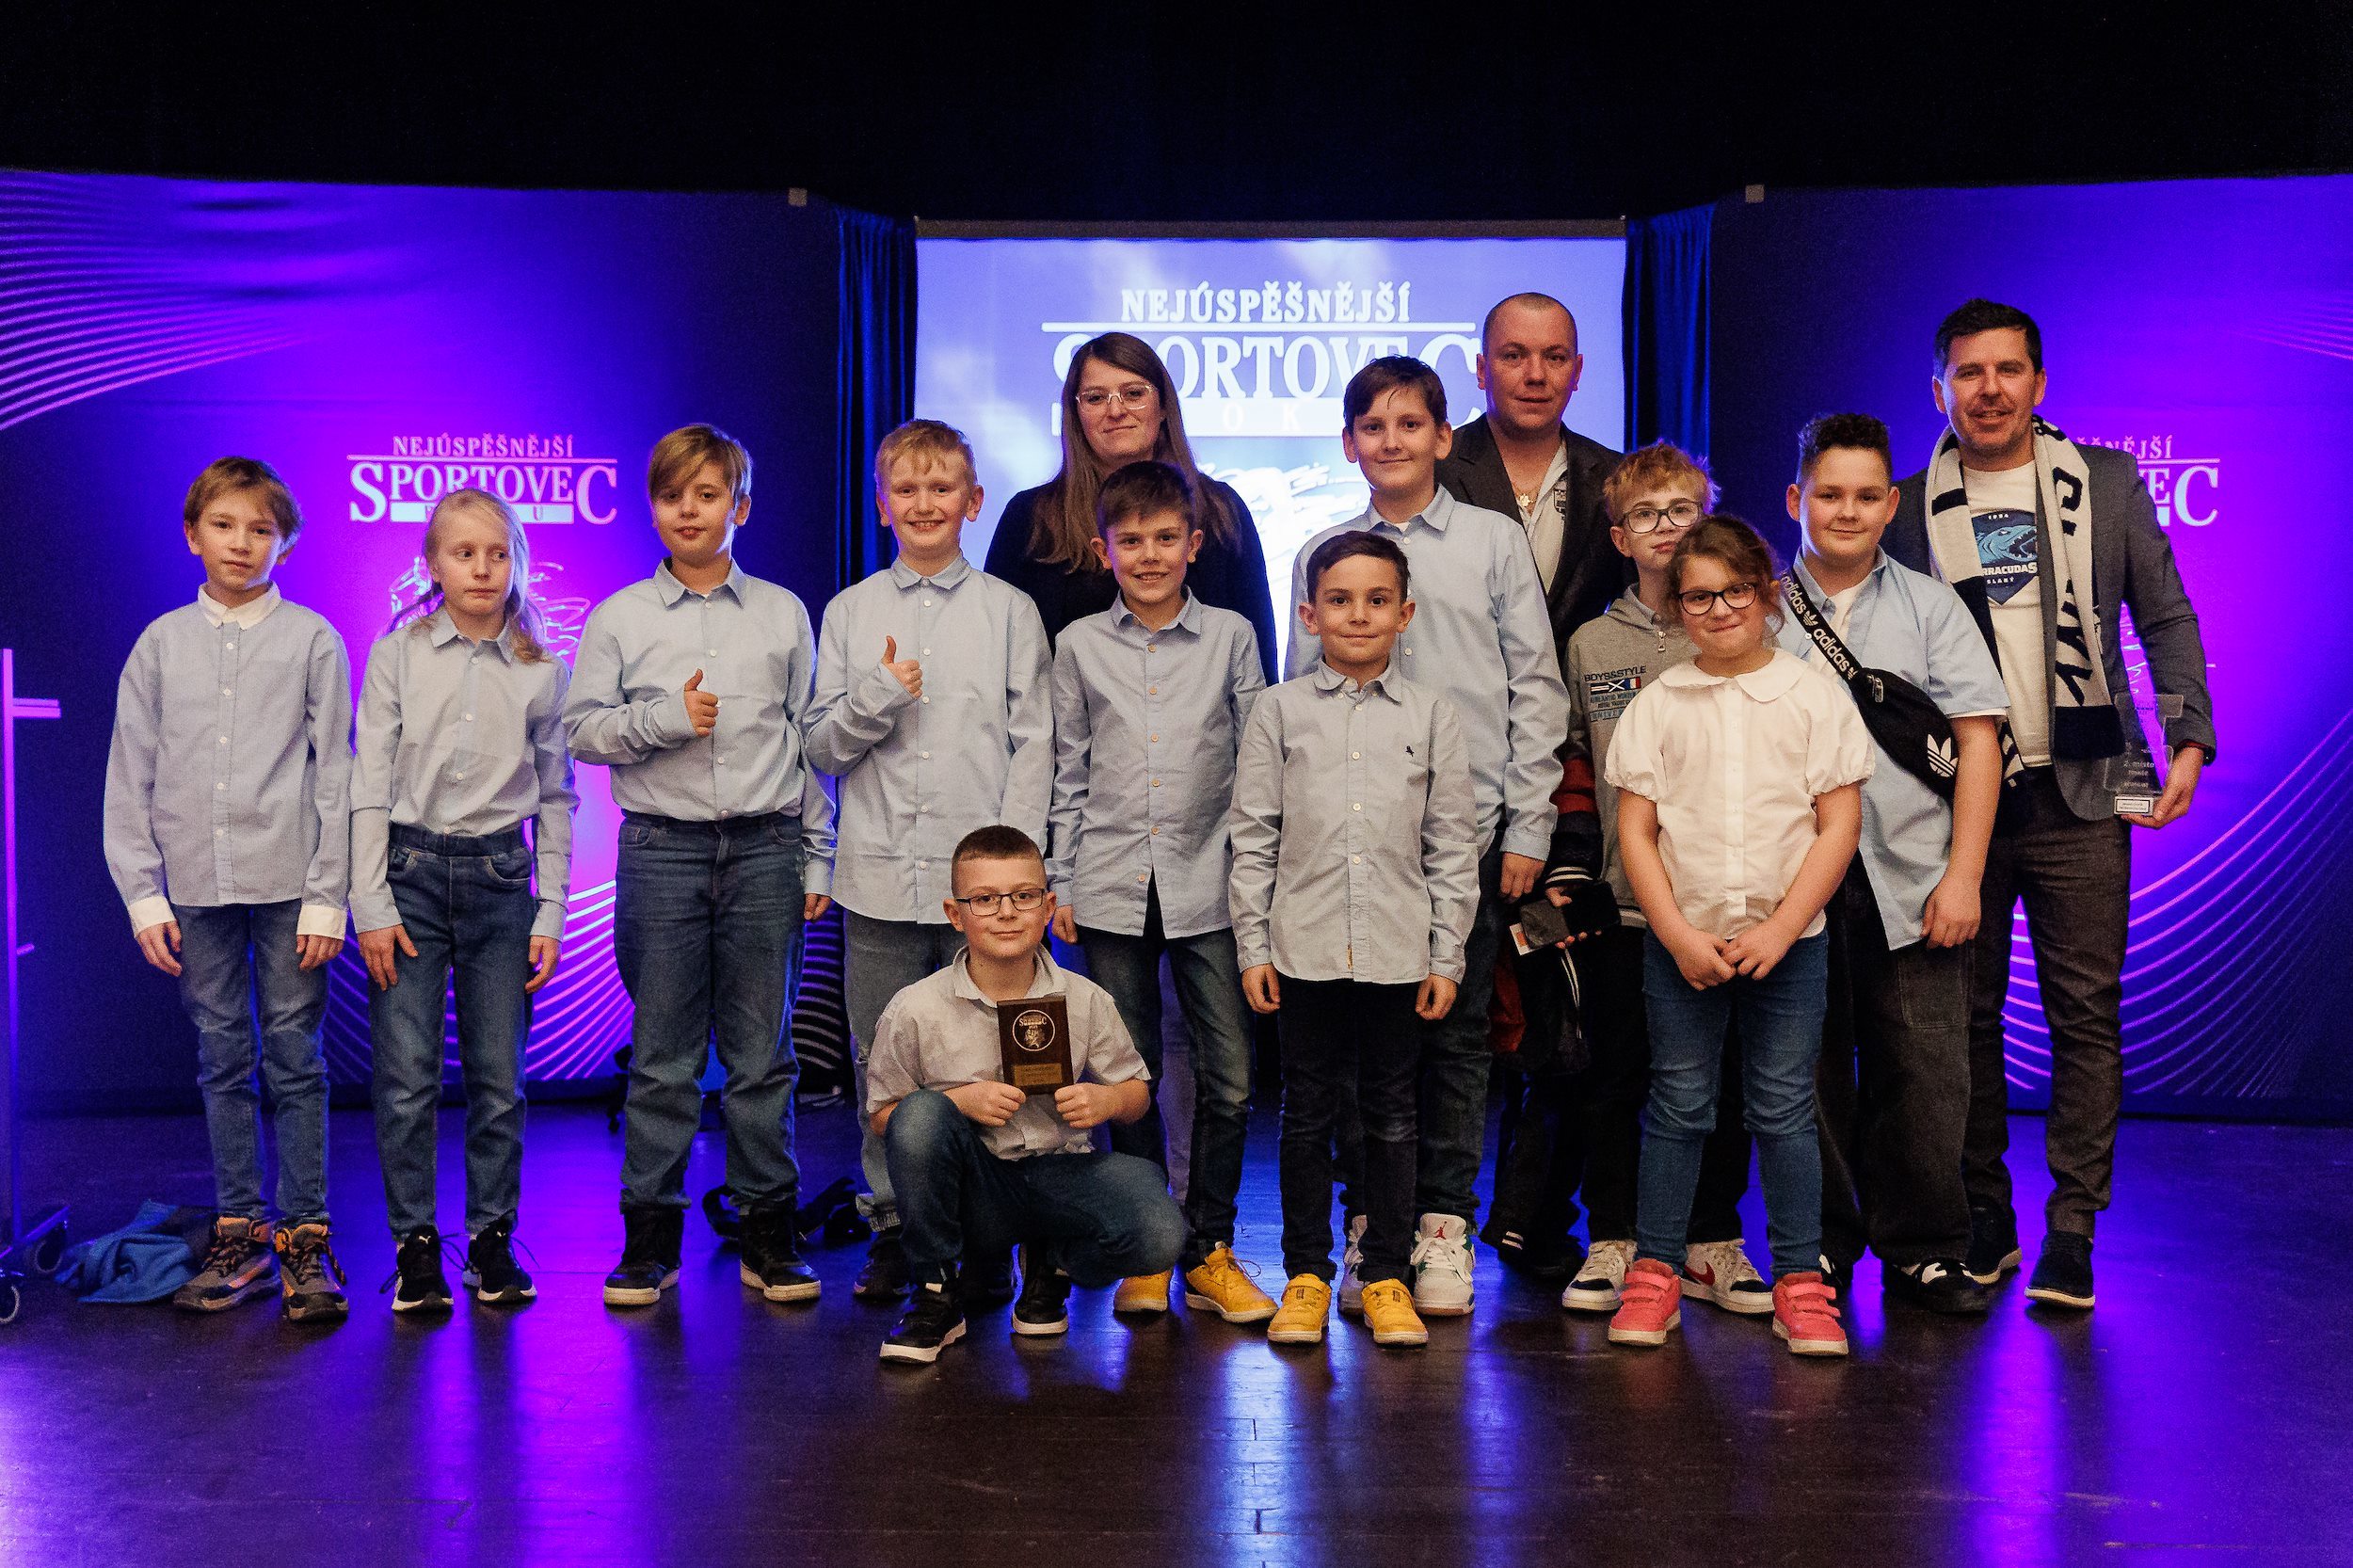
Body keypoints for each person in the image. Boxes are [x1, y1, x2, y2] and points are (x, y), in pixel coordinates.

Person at [1886, 300, 2216, 1311]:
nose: (1988, 389)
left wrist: (2189, 736)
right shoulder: (1903, 506)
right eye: (1968, 372)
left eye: (2007, 370)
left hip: (2083, 792)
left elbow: (2164, 616)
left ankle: (2072, 1229)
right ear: (1938, 389)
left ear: (2038, 382)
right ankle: (1985, 1214)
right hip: (1955, 806)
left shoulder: (2104, 483)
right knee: (1963, 1021)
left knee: (2084, 1016)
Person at [1286, 356, 1569, 1319]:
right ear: (1348, 443)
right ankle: (1372, 1220)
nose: (1392, 441)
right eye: (1373, 426)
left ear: (1445, 437)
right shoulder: (1323, 550)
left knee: (1455, 1040)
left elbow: (1535, 686)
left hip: (1468, 837)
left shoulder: (1493, 541)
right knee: (1361, 1054)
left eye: (1411, 424)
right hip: (1353, 844)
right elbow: (1299, 701)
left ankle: (1443, 1223)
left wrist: (1529, 821)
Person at [565, 424, 834, 1309]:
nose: (689, 510)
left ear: (739, 508)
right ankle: (650, 1241)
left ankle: (769, 1233)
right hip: (662, 850)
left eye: (708, 494)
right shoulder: (619, 617)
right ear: (653, 509)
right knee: (663, 1060)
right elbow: (581, 731)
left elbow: (809, 743)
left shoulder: (784, 613)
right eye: (672, 495)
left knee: (763, 1059)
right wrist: (664, 721)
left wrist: (817, 856)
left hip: (766, 848)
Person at [1604, 516, 1872, 1358]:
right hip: (1681, 944)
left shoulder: (1811, 695)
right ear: (1676, 608)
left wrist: (1784, 928)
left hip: (1791, 944)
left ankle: (1800, 1283)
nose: (1719, 610)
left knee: (1784, 1108)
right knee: (1679, 1104)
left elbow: (1838, 824)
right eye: (1698, 598)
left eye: (1736, 592)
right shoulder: (1658, 703)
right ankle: (1656, 1272)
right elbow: (1636, 831)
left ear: (1768, 594)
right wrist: (1675, 933)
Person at [103, 456, 354, 1321]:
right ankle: (240, 1230)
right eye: (224, 525)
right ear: (192, 535)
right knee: (222, 1056)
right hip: (195, 884)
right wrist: (144, 895)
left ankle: (305, 1238)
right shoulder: (160, 644)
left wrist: (328, 896)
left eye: (261, 529)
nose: (241, 543)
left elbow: (337, 777)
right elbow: (129, 774)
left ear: (286, 544)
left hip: (290, 883)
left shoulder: (313, 640)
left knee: (295, 1056)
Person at [808, 418, 1052, 1302]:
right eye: (905, 490)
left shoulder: (1010, 612)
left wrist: (1014, 881)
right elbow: (821, 748)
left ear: (972, 501)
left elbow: (1035, 745)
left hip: (984, 898)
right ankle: (895, 1227)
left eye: (941, 488)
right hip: (877, 878)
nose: (923, 504)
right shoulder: (849, 611)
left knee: (995, 1062)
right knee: (884, 1061)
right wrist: (877, 697)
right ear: (881, 506)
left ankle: (992, 1232)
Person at [1778, 415, 2009, 1314]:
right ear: (1796, 499)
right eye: (1829, 494)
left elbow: (1978, 744)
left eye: (1866, 496)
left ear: (1892, 505)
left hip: (1913, 876)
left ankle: (1925, 1250)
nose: (1847, 511)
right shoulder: (1755, 608)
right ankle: (1819, 1249)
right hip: (1792, 885)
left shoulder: (1930, 606)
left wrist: (1965, 876)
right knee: (1808, 1075)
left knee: (1926, 1072)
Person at [1532, 444, 1762, 1318]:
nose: (1666, 529)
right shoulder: (1592, 643)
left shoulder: (1741, 634)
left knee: (1723, 1080)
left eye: (1682, 511)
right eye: (1646, 515)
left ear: (1709, 519)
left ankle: (1710, 1241)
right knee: (1617, 1074)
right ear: (1619, 536)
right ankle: (1615, 1238)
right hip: (1627, 903)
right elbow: (1570, 762)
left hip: (1728, 900)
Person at [1234, 532, 1480, 1350]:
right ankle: (1305, 1275)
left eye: (1378, 600)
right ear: (1309, 614)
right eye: (1339, 600)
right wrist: (1253, 947)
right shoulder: (1278, 711)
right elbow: (1254, 836)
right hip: (1302, 948)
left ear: (1405, 614)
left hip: (1398, 950)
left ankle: (1384, 1276)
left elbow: (1451, 845)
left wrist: (1446, 954)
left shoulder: (1433, 714)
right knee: (1305, 1114)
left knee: (1393, 1116)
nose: (1359, 615)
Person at [1046, 459, 1272, 1322]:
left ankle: (1209, 1247)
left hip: (1212, 882)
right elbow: (1069, 771)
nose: (1149, 555)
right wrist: (1060, 876)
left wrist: (1261, 876)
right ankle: (1150, 1246)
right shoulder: (1078, 645)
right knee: (1128, 1072)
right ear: (1103, 550)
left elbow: (1257, 763)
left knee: (1230, 1074)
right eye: (1131, 540)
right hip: (1108, 882)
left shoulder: (1232, 637)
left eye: (1165, 538)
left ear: (1194, 544)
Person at [352, 488, 578, 1311]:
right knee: (406, 1079)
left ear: (517, 562)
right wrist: (370, 904)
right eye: (463, 553)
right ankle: (416, 1247)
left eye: (497, 553)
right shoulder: (398, 654)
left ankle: (490, 1242)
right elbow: (368, 785)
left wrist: (551, 910)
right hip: (408, 879)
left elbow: (558, 795)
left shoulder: (543, 669)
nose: (482, 568)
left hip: (501, 884)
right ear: (432, 564)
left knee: (498, 1079)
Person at [869, 825, 1183, 1364]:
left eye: (1024, 896)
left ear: (1048, 906)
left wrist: (1106, 1102)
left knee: (1159, 1232)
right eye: (984, 900)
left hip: (1061, 1171)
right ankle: (937, 1293)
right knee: (920, 1114)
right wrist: (960, 1102)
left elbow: (1137, 1095)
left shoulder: (1085, 998)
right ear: (955, 914)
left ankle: (1052, 1263)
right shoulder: (915, 1007)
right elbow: (883, 1117)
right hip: (975, 1187)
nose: (1006, 913)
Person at [984, 331, 1279, 679]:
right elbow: (997, 655)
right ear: (1075, 413)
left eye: (1134, 394)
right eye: (1096, 398)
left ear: (1164, 406)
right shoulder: (1030, 518)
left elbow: (1258, 657)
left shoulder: (1220, 510)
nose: (1116, 410)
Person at [1434, 291, 1627, 652]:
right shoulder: (1434, 471)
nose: (1536, 375)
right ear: (1481, 370)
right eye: (1514, 356)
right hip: (1458, 687)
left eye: (1555, 358)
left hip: (1579, 687)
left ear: (1577, 371)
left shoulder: (1616, 477)